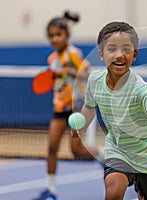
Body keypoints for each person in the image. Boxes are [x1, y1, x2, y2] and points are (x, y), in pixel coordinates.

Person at [71, 21, 147, 200]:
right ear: (101, 54)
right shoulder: (94, 81)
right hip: (118, 151)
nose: (119, 55)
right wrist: (82, 124)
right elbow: (89, 106)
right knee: (113, 191)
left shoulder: (141, 89)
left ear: (134, 55)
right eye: (112, 49)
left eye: (126, 49)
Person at [33, 11, 97, 200]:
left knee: (76, 151)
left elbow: (87, 74)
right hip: (59, 108)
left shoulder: (73, 53)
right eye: (51, 36)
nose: (54, 38)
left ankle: (105, 154)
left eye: (58, 34)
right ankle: (51, 191)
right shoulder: (51, 59)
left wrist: (70, 70)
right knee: (51, 148)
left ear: (67, 35)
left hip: (75, 107)